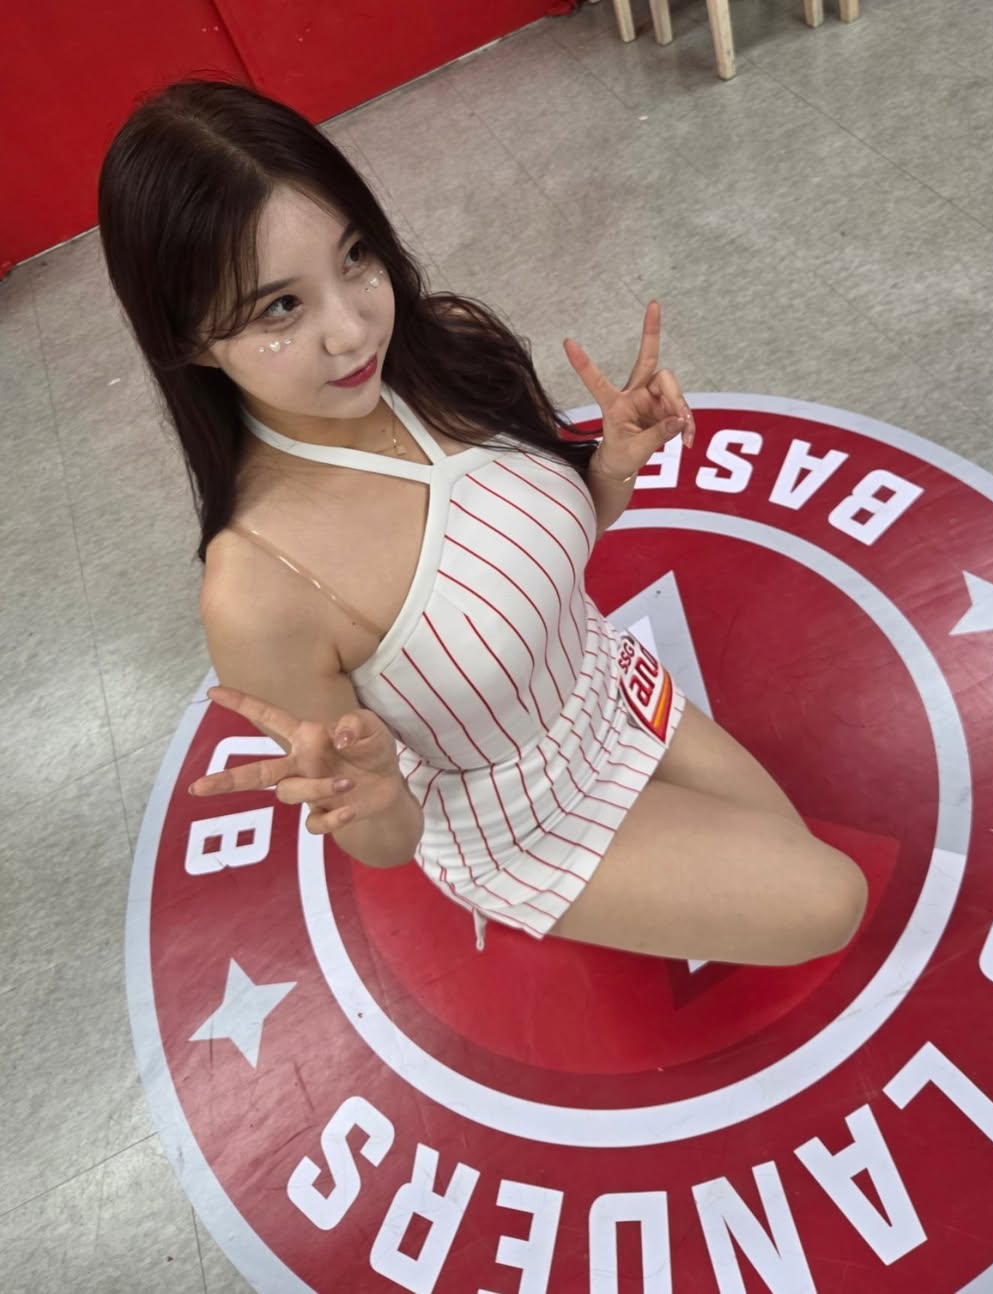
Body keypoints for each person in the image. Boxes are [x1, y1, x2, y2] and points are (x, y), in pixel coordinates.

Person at [98, 78, 867, 963]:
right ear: (190, 339)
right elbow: (381, 841)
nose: (352, 331)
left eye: (355, 256)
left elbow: (543, 558)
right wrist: (375, 794)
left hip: (608, 683)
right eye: (281, 307)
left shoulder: (446, 351)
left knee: (790, 847)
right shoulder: (258, 590)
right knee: (830, 900)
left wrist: (609, 466)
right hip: (517, 819)